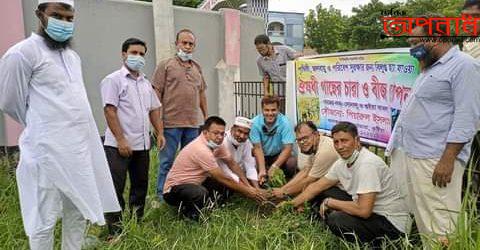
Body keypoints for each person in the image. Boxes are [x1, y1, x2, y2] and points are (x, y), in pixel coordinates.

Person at [0, 1, 120, 249]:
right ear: (40, 15)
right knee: (43, 220)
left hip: (77, 154)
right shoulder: (22, 53)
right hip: (45, 154)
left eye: (69, 18)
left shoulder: (72, 57)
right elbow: (10, 101)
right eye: (57, 16)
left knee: (76, 214)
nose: (64, 23)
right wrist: (43, 126)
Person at [387, 14, 480, 245]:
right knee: (425, 222)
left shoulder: (465, 66)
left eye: (415, 42)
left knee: (441, 225)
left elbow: (466, 118)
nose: (412, 47)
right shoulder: (430, 68)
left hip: (436, 159)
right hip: (415, 154)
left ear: (435, 37)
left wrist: (447, 159)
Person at [287, 122, 410, 247]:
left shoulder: (367, 164)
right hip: (373, 212)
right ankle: (318, 220)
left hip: (392, 225)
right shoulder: (342, 162)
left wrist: (330, 202)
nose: (340, 146)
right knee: (324, 190)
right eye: (336, 142)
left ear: (357, 140)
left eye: (344, 141)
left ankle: (377, 245)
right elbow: (316, 186)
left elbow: (364, 210)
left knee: (337, 219)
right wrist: (289, 205)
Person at [100, 38, 165, 238]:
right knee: (115, 187)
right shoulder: (113, 80)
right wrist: (120, 140)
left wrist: (160, 132)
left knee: (140, 185)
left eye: (142, 54)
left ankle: (136, 222)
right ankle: (115, 230)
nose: (138, 57)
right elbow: (110, 110)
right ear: (124, 54)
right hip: (118, 146)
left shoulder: (145, 84)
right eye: (134, 53)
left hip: (142, 145)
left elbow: (154, 109)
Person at [163, 116, 267, 221]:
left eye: (222, 133)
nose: (220, 137)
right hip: (173, 190)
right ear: (205, 132)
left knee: (225, 186)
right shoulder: (201, 149)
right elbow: (223, 177)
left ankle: (208, 208)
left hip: (196, 182)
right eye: (215, 133)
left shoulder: (218, 144)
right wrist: (248, 192)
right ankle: (190, 218)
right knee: (200, 192)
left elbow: (233, 164)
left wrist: (250, 187)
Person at [152, 29, 208, 199]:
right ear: (176, 44)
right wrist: (158, 125)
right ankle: (161, 196)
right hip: (170, 124)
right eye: (184, 43)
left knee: (190, 164)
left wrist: (206, 118)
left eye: (191, 44)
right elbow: (156, 93)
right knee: (167, 162)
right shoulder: (166, 65)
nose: (187, 46)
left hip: (192, 125)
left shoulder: (197, 68)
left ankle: (185, 195)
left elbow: (202, 94)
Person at [271, 121, 338, 201]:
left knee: (314, 188)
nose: (302, 142)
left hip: (346, 192)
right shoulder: (316, 145)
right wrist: (283, 189)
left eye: (305, 138)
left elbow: (309, 181)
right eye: (299, 140)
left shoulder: (325, 151)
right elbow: (305, 171)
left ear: (316, 134)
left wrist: (284, 192)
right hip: (334, 185)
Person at [250, 96, 297, 185]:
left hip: (278, 154)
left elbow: (288, 148)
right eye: (266, 110)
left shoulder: (285, 123)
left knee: (291, 162)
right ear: (262, 110)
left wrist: (274, 167)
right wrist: (262, 169)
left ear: (278, 109)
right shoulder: (255, 123)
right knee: (252, 163)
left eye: (273, 110)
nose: (270, 113)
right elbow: (257, 147)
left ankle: (288, 184)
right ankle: (259, 182)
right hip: (261, 154)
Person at [218, 116, 259, 188]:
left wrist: (257, 188)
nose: (242, 136)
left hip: (240, 175)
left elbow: (250, 166)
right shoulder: (222, 142)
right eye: (239, 131)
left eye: (246, 133)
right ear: (232, 129)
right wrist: (248, 189)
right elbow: (226, 171)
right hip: (223, 177)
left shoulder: (247, 143)